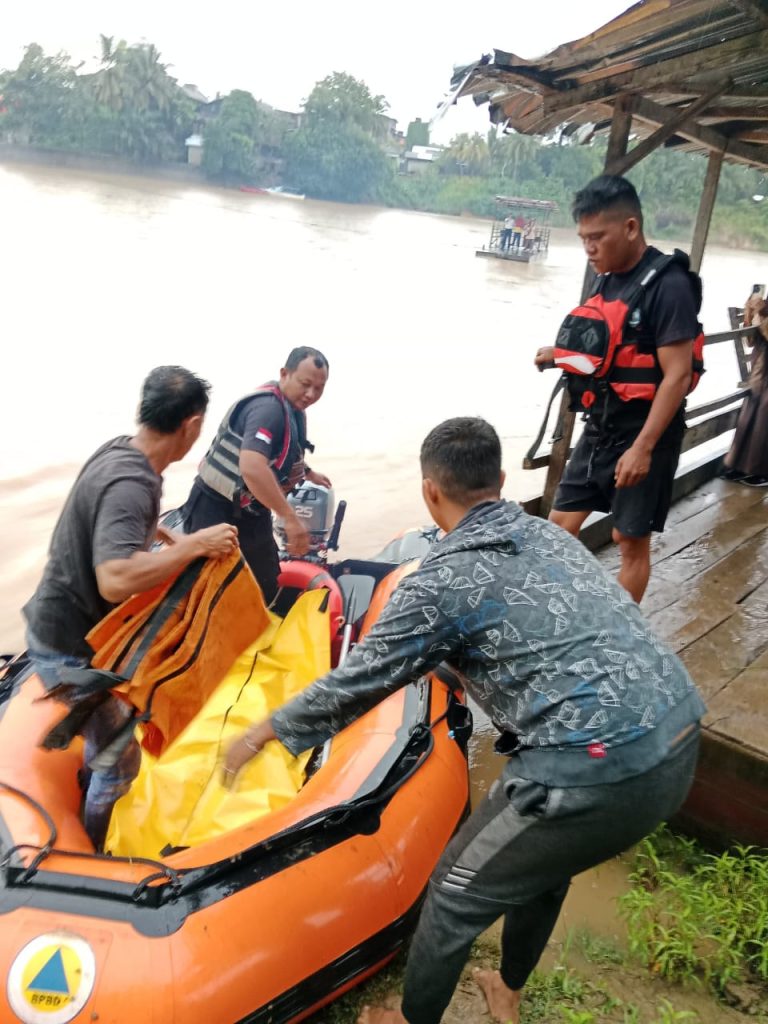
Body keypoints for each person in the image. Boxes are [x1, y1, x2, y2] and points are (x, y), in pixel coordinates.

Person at [223, 416, 705, 1024]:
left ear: (429, 492)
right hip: (679, 735)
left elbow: (354, 682)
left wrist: (260, 733)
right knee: (544, 866)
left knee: (454, 893)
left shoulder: (439, 580)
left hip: (590, 771)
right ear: (500, 480)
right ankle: (507, 989)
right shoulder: (549, 535)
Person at [22, 366, 239, 850]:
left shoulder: (121, 451)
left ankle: (87, 784)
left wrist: (165, 535)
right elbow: (115, 578)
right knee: (120, 765)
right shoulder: (132, 483)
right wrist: (196, 545)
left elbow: (111, 519)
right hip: (71, 649)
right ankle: (92, 852)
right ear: (192, 425)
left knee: (108, 735)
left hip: (60, 622)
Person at [535, 175, 702, 604]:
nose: (589, 248)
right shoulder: (605, 278)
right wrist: (559, 353)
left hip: (646, 432)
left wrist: (643, 448)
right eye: (583, 239)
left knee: (629, 540)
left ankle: (619, 632)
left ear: (630, 228)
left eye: (597, 237)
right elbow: (606, 348)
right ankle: (564, 614)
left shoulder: (669, 286)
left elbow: (677, 375)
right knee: (559, 527)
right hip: (601, 427)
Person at [181, 347, 331, 604]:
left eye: (319, 388)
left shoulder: (291, 409)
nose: (311, 394)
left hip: (251, 512)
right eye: (305, 384)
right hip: (214, 509)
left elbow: (285, 452)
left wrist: (308, 473)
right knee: (214, 592)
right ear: (284, 374)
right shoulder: (268, 410)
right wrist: (290, 518)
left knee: (266, 580)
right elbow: (252, 466)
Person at [723, 300, 768, 486]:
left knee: (764, 415)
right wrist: (750, 313)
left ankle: (761, 470)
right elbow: (749, 341)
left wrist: (761, 317)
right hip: (760, 371)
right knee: (749, 415)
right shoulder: (764, 305)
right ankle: (740, 465)